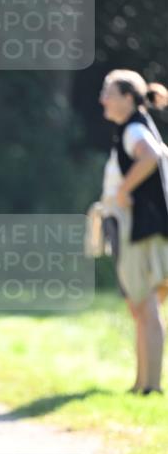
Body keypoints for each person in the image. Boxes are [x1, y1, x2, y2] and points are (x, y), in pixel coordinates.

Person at [98, 70, 168, 395]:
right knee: (141, 307)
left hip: (139, 229)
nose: (102, 100)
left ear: (128, 98)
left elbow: (151, 156)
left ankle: (150, 386)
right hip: (141, 228)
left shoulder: (134, 129)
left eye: (109, 93)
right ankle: (142, 383)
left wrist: (124, 191)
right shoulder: (134, 127)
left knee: (145, 305)